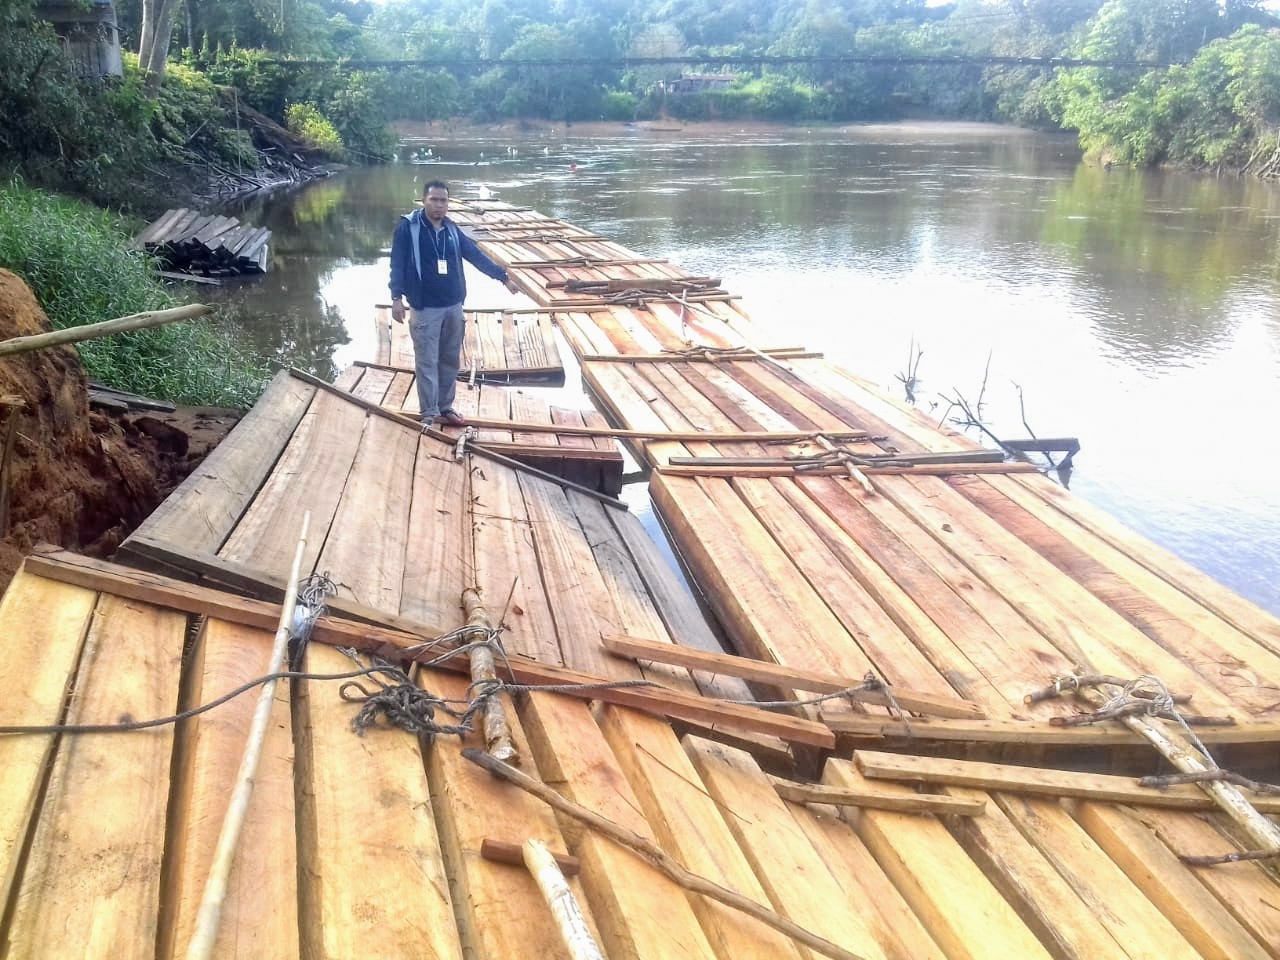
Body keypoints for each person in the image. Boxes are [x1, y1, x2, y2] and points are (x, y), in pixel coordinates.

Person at [388, 179, 518, 427]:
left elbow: (475, 256)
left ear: (448, 203)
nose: (438, 205)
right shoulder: (409, 228)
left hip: (453, 306)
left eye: (443, 200)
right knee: (426, 361)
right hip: (424, 308)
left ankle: (446, 408)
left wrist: (503, 278)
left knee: (449, 360)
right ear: (424, 200)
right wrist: (396, 297)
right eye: (434, 200)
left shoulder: (451, 230)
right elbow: (397, 263)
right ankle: (429, 413)